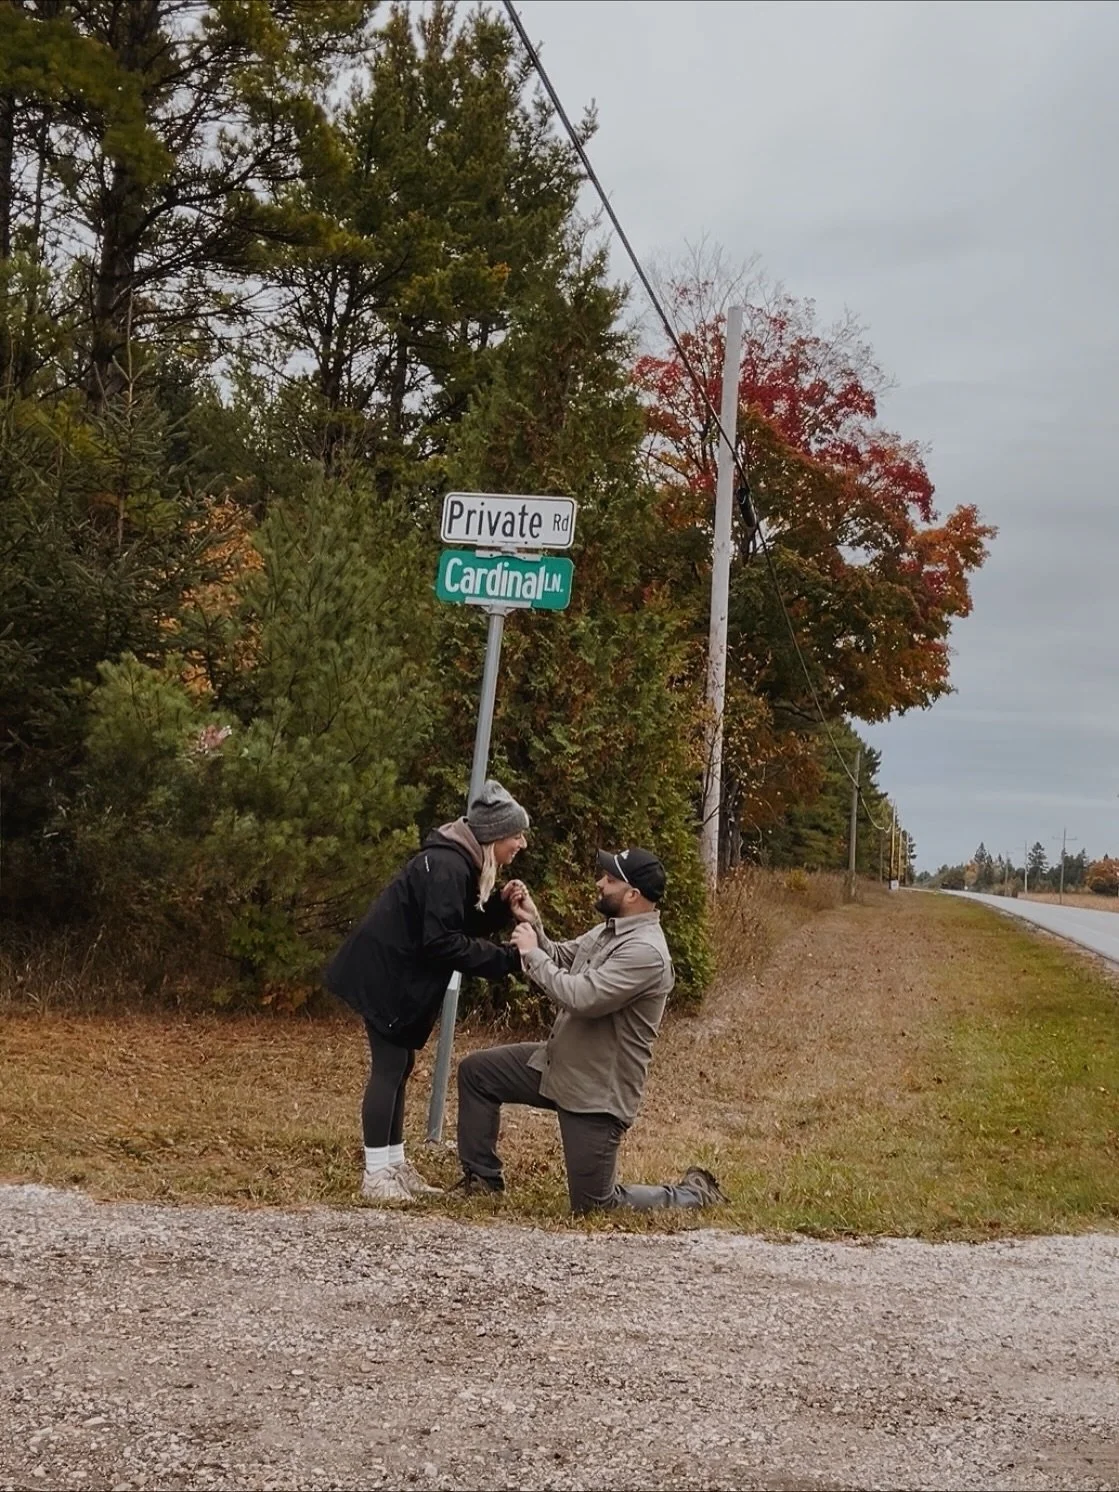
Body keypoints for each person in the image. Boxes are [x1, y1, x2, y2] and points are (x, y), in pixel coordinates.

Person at [455, 846, 726, 1214]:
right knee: (478, 1073)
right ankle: (483, 1182)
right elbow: (562, 958)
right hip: (558, 1064)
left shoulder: (646, 953)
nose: (600, 883)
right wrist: (535, 925)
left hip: (596, 1091)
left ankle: (694, 1194)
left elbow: (580, 997)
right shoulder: (611, 930)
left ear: (632, 894)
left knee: (595, 1206)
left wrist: (532, 954)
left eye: (610, 879)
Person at [325, 780, 531, 1202]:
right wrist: (508, 959)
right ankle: (375, 1175)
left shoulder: (457, 862)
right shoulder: (449, 865)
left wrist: (498, 908)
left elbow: (455, 923)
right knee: (388, 1068)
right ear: (494, 834)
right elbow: (441, 942)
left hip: (394, 972)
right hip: (383, 973)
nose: (521, 843)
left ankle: (394, 1164)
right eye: (516, 834)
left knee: (399, 1066)